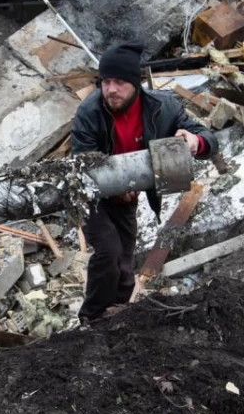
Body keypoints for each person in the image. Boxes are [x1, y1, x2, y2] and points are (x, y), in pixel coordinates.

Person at [71, 41, 218, 324]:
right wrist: (115, 189)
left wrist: (194, 141)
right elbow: (84, 164)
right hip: (94, 197)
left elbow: (209, 139)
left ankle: (117, 315)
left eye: (119, 82)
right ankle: (90, 320)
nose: (111, 89)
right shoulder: (89, 113)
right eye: (106, 81)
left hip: (129, 198)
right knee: (108, 252)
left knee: (125, 262)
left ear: (136, 83)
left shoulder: (163, 107)